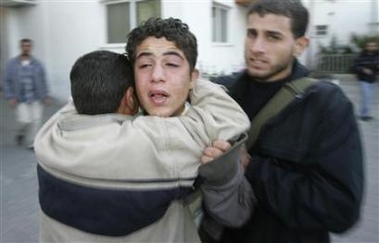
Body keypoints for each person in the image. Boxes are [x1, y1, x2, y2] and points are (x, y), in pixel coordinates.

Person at [35, 48, 253, 242]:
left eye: (170, 65)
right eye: (146, 67)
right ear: (130, 97)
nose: (157, 77)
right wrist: (190, 80)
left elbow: (76, 100)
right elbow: (230, 118)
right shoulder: (153, 143)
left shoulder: (49, 136)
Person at [201, 0, 364, 242]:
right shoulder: (224, 91)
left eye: (272, 37)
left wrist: (249, 167)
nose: (256, 47)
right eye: (251, 34)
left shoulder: (327, 105)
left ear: (300, 45)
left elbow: (339, 209)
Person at [3, 38, 50, 149]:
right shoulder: (12, 64)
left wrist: (46, 95)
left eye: (28, 46)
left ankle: (32, 143)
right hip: (20, 98)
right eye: (24, 46)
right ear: (20, 47)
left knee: (36, 121)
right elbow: (6, 81)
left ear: (31, 48)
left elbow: (43, 80)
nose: (26, 48)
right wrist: (10, 96)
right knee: (24, 120)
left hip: (36, 97)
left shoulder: (38, 64)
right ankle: (21, 133)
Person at [353, 40, 379, 121]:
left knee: (369, 98)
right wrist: (363, 69)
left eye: (374, 46)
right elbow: (354, 66)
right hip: (363, 79)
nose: (372, 47)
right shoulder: (361, 56)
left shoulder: (377, 56)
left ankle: (365, 113)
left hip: (373, 79)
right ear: (366, 47)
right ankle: (364, 115)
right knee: (366, 97)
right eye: (370, 46)